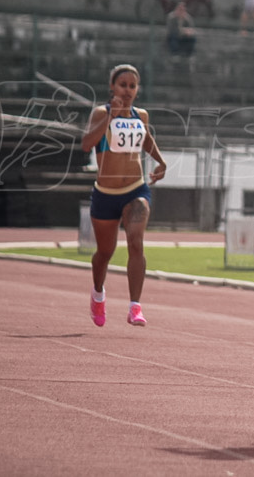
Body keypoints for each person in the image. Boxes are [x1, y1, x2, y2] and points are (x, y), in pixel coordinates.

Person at [81, 64, 167, 327]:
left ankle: (135, 306)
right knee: (105, 253)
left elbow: (146, 139)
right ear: (112, 87)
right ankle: (98, 293)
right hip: (106, 194)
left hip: (135, 189)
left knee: (135, 241)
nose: (127, 90)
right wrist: (111, 117)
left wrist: (161, 162)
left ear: (137, 90)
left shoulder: (141, 116)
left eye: (132, 86)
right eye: (123, 85)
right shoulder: (100, 113)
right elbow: (86, 144)